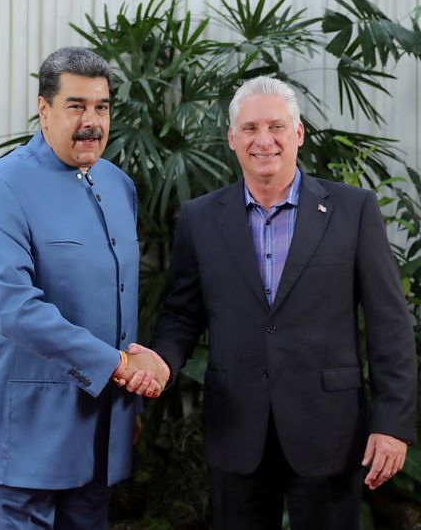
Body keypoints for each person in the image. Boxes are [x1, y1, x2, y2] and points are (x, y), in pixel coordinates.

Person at [132, 76, 417, 529]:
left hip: (330, 431)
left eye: (276, 127)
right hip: (237, 430)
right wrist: (162, 361)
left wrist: (392, 423)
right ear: (231, 138)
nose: (263, 140)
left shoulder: (353, 209)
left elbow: (389, 324)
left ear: (298, 133)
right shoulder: (201, 218)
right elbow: (181, 315)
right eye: (249, 129)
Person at [0, 46, 168, 529]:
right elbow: (15, 309)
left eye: (102, 107)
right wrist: (119, 366)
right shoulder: (1, 187)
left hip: (97, 438)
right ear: (44, 109)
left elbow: (118, 306)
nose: (92, 121)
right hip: (19, 440)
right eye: (76, 106)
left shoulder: (119, 186)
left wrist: (125, 404)